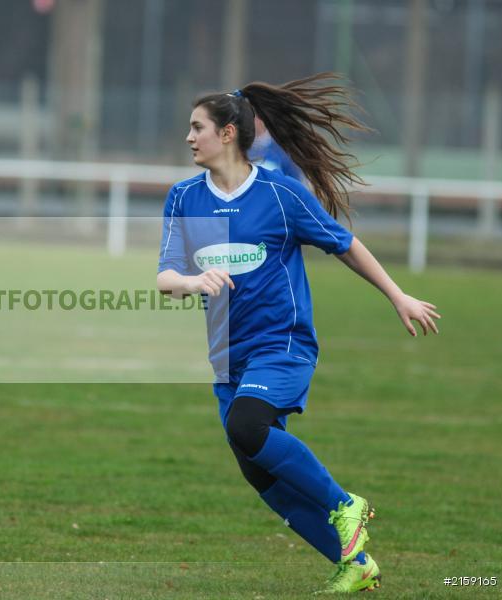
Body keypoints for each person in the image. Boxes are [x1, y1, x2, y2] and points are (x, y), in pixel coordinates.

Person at [157, 73, 440, 594]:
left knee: (248, 426)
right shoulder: (183, 197)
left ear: (227, 134)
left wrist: (397, 295)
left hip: (281, 345)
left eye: (197, 127)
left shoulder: (280, 193)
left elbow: (344, 243)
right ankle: (356, 563)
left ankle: (344, 504)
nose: (188, 137)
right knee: (258, 470)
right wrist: (193, 281)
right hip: (226, 354)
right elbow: (165, 277)